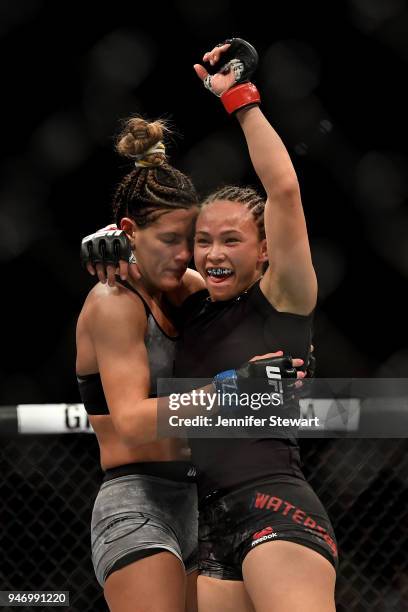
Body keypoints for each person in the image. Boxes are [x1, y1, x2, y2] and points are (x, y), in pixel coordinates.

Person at [81, 39, 337, 612]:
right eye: (204, 240)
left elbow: (285, 191)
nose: (211, 252)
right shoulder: (196, 297)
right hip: (210, 523)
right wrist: (106, 242)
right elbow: (147, 256)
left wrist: (240, 100)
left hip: (273, 500)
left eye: (231, 239)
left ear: (267, 250)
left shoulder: (282, 298)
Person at [76, 116, 203, 612]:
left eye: (192, 238)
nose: (185, 253)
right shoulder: (112, 302)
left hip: (208, 499)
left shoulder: (190, 287)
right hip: (137, 504)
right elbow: (131, 422)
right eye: (170, 239)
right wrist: (233, 391)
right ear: (129, 232)